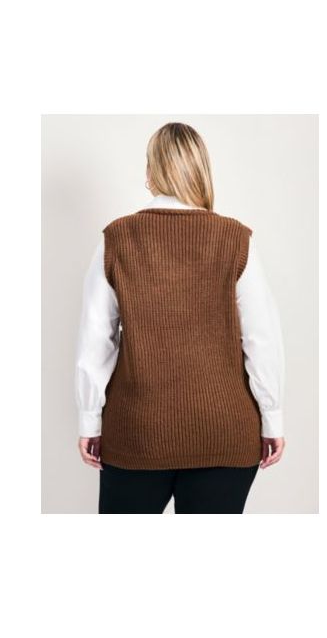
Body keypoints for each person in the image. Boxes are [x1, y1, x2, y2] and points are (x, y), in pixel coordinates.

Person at [74, 122, 285, 514]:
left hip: (137, 433)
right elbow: (261, 339)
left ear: (151, 171)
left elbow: (96, 339)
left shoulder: (117, 238)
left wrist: (90, 419)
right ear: (200, 169)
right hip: (225, 432)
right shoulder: (235, 239)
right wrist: (271, 417)